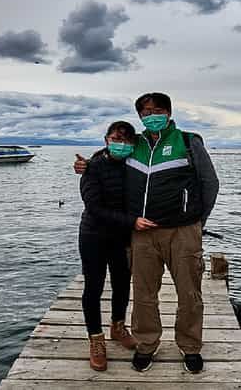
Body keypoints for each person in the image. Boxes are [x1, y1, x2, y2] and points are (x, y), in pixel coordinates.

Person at [125, 92, 219, 374]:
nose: (150, 116)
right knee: (143, 294)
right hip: (143, 233)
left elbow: (210, 184)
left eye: (155, 110)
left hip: (183, 232)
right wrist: (86, 167)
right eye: (144, 112)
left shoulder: (188, 142)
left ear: (168, 112)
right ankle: (145, 344)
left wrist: (197, 223)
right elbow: (110, 170)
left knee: (190, 293)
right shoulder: (134, 144)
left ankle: (190, 346)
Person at [78, 121, 140, 371]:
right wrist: (133, 221)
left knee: (122, 283)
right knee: (94, 286)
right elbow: (94, 207)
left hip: (123, 237)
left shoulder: (135, 166)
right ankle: (96, 340)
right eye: (115, 138)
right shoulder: (93, 166)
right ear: (106, 140)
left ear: (132, 144)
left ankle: (117, 327)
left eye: (125, 140)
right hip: (94, 235)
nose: (120, 143)